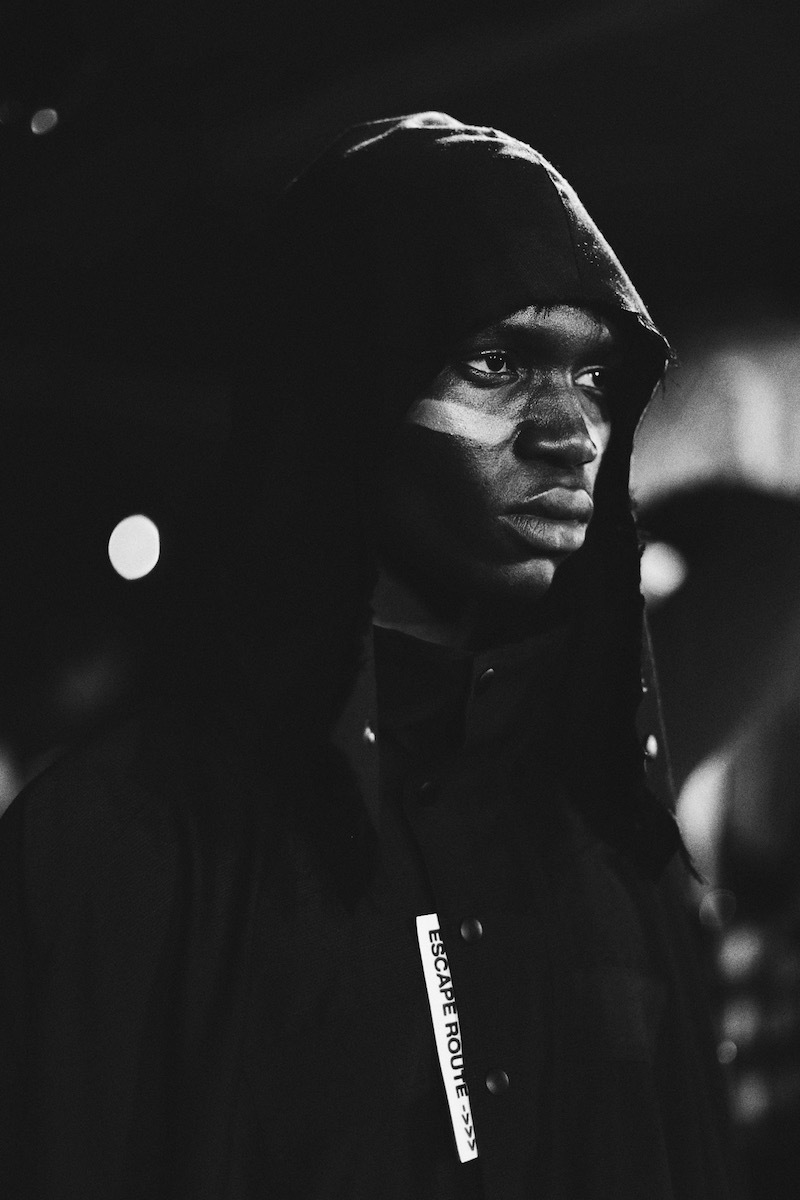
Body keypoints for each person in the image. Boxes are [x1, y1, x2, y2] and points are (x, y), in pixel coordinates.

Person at [0, 112, 735, 1199]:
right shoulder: (109, 852)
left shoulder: (621, 853)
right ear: (340, 386)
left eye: (594, 377)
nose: (572, 433)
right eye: (496, 362)